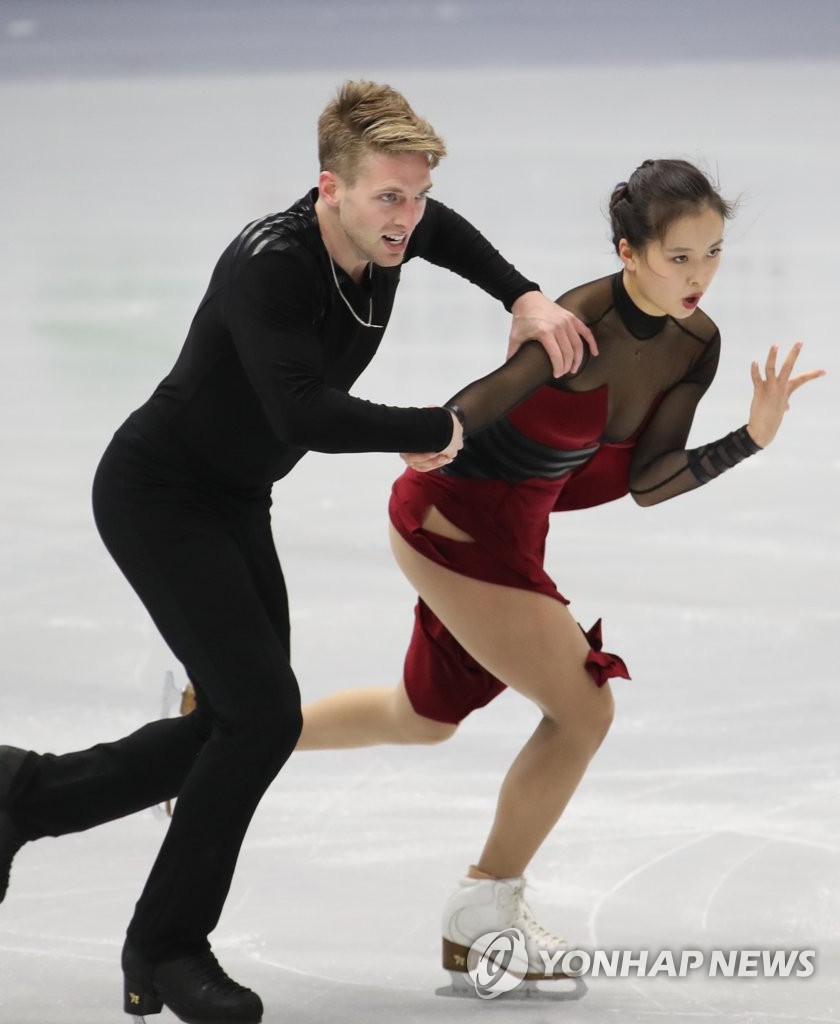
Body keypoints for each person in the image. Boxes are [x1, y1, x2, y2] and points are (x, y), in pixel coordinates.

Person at [0, 80, 593, 1023]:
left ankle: (30, 792)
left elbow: (444, 228)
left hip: (237, 498)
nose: (406, 220)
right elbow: (303, 411)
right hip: (157, 497)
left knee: (248, 724)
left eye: (414, 196)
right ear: (328, 186)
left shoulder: (394, 229)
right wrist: (431, 425)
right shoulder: (271, 266)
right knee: (256, 719)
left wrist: (526, 295)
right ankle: (164, 947)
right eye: (387, 198)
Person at [290, 158, 826, 985]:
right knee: (583, 707)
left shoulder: (696, 344)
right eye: (680, 256)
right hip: (452, 524)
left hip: (517, 535)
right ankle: (483, 911)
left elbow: (651, 481)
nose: (700, 276)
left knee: (423, 717)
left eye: (713, 253)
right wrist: (437, 425)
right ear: (629, 251)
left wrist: (748, 439)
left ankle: (220, 729)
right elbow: (495, 394)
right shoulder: (580, 319)